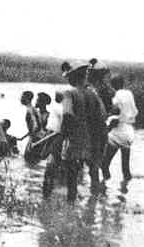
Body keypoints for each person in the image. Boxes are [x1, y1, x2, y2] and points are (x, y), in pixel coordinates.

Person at [57, 61, 107, 202]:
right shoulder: (93, 94)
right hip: (93, 141)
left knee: (72, 179)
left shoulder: (69, 93)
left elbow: (67, 114)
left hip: (76, 141)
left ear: (72, 78)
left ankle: (70, 208)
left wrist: (63, 134)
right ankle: (92, 208)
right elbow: (102, 116)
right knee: (94, 175)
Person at [102, 75, 137, 181]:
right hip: (129, 131)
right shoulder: (129, 94)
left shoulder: (117, 96)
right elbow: (134, 112)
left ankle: (104, 188)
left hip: (118, 132)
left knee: (104, 164)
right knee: (125, 169)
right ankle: (125, 189)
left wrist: (107, 127)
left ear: (114, 85)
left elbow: (116, 115)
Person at [42, 91, 66, 198]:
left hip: (56, 135)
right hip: (51, 134)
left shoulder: (60, 108)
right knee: (51, 159)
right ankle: (50, 187)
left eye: (57, 96)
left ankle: (49, 188)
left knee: (52, 161)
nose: (55, 97)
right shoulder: (57, 107)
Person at [22, 91, 47, 163]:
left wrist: (32, 140)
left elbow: (36, 127)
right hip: (38, 139)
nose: (35, 101)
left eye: (37, 100)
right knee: (32, 162)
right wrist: (23, 137)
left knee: (29, 161)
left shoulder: (30, 110)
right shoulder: (33, 110)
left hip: (35, 140)